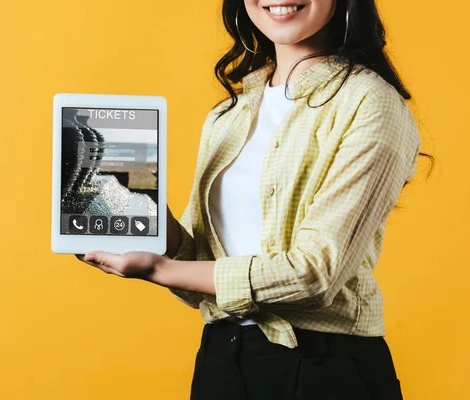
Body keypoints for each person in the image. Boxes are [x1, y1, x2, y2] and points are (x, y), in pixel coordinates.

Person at [76, 0, 434, 398]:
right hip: (222, 362)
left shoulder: (370, 102)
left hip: (327, 369)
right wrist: (141, 212)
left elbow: (314, 273)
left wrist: (159, 269)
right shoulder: (228, 114)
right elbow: (201, 267)